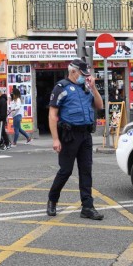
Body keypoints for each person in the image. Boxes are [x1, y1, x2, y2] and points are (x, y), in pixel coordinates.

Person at [46, 58, 104, 220]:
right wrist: (55, 139)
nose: (84, 77)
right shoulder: (61, 88)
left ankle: (87, 207)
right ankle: (52, 200)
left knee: (86, 171)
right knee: (65, 171)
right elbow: (52, 115)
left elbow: (99, 106)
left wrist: (93, 88)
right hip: (69, 135)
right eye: (81, 74)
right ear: (72, 71)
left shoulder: (87, 87)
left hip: (85, 135)